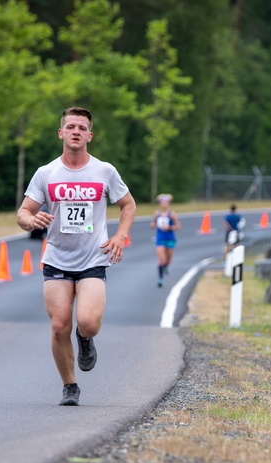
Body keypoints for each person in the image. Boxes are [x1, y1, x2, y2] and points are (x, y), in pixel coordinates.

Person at [16, 106, 136, 407]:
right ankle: (70, 385)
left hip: (93, 259)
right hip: (57, 258)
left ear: (90, 136)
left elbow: (128, 205)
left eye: (82, 128)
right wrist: (30, 221)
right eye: (70, 127)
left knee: (89, 322)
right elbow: (23, 212)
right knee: (59, 326)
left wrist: (120, 236)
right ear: (61, 133)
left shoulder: (104, 171)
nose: (76, 132)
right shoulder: (46, 173)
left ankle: (85, 339)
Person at [152, 193, 180, 287]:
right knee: (161, 260)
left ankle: (167, 266)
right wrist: (153, 225)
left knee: (168, 260)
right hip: (160, 239)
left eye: (166, 203)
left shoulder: (172, 214)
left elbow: (178, 226)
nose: (164, 204)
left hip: (170, 239)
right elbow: (153, 223)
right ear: (160, 204)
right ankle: (160, 279)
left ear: (168, 204)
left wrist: (169, 227)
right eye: (162, 203)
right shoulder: (157, 214)